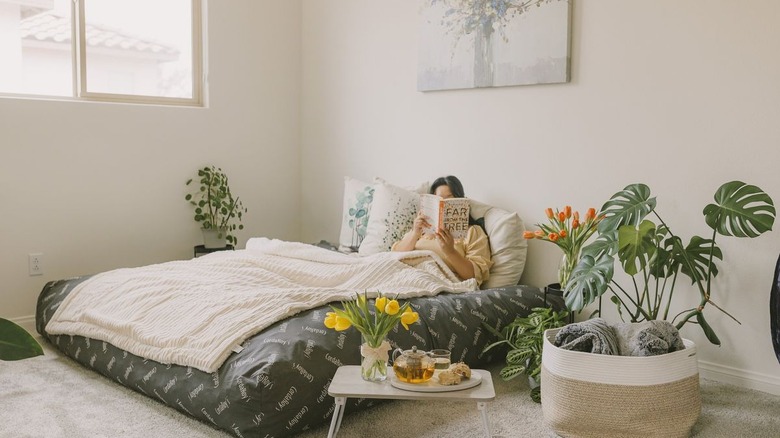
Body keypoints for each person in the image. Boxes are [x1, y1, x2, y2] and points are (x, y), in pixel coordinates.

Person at [392, 176, 493, 286]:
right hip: (407, 276)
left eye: (450, 199)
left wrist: (450, 251)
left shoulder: (472, 231)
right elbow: (395, 257)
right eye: (440, 200)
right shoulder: (421, 230)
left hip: (437, 282)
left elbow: (474, 276)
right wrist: (415, 233)